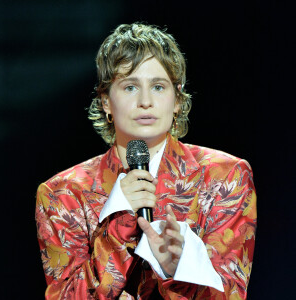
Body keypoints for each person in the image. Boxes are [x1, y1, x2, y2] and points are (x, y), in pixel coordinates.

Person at [36, 23, 257, 299]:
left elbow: (232, 294)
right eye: (129, 87)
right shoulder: (63, 194)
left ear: (177, 99)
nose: (145, 101)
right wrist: (118, 225)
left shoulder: (224, 177)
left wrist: (180, 269)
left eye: (158, 86)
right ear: (105, 101)